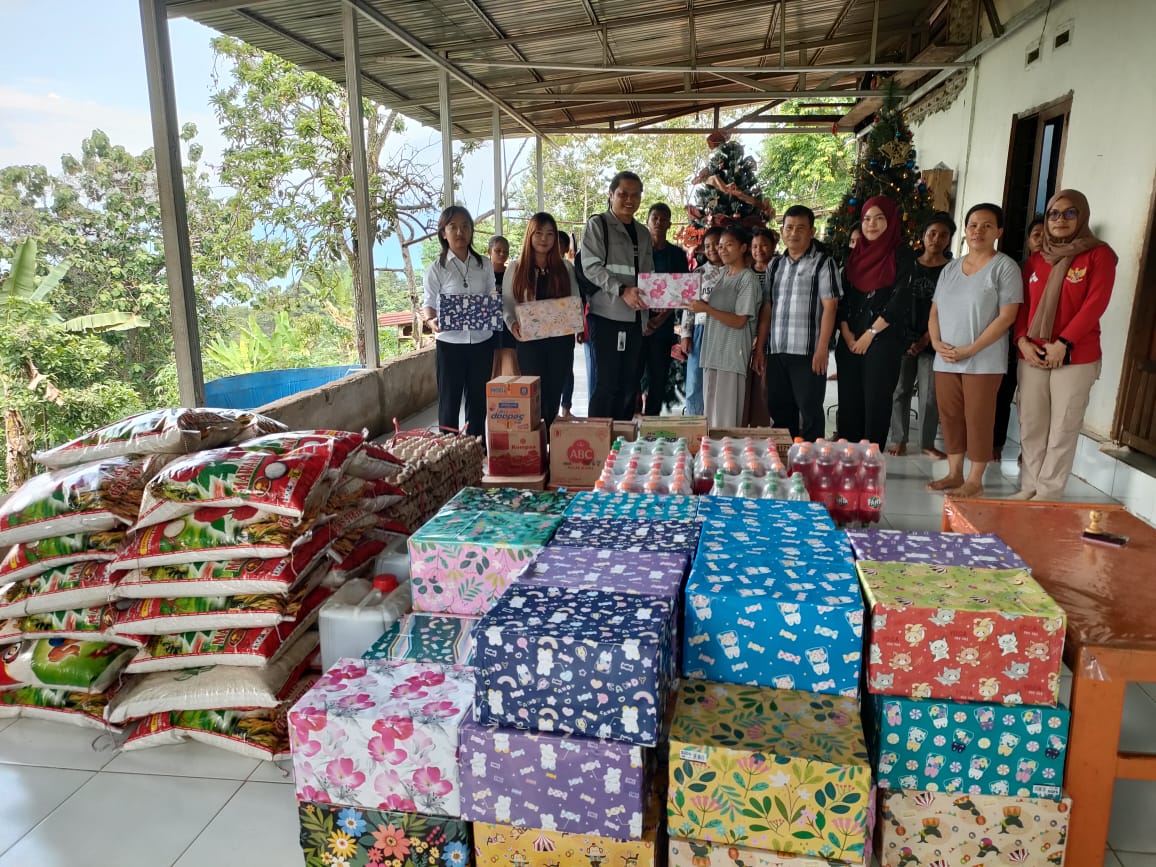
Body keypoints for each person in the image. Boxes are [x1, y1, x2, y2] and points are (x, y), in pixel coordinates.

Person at [1013, 190, 1115, 501]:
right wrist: (1022, 341)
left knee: (1062, 428)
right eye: (1054, 214)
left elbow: (1095, 304)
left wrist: (1064, 343)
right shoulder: (1036, 260)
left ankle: (1048, 493)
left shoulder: (1098, 255)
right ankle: (1029, 487)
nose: (1060, 220)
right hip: (1032, 354)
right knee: (1032, 425)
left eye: (1070, 213)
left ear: (1082, 217)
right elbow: (1022, 306)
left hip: (1076, 356)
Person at [926, 203, 1022, 497]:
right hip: (946, 358)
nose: (978, 231)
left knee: (979, 418)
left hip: (983, 360)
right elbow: (935, 311)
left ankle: (975, 479)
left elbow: (1007, 317)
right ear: (965, 231)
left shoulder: (1005, 267)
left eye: (987, 226)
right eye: (973, 225)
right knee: (950, 416)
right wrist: (935, 342)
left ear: (999, 231)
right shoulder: (950, 268)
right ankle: (954, 473)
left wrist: (971, 349)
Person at [753, 205, 841, 442]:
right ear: (782, 231)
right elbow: (767, 308)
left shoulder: (823, 264)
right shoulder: (775, 265)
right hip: (777, 350)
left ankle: (810, 459)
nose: (794, 233)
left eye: (800, 228)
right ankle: (785, 458)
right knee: (780, 410)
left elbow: (830, 308)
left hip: (808, 352)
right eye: (789, 228)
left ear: (812, 231)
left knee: (810, 410)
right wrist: (760, 348)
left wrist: (822, 349)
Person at [835, 196, 914, 447]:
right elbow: (842, 298)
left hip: (882, 341)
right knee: (849, 403)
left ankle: (870, 461)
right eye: (867, 219)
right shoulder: (855, 255)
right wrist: (847, 334)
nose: (871, 224)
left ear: (890, 221)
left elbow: (900, 299)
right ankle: (849, 459)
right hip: (850, 340)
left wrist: (870, 334)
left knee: (876, 405)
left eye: (879, 218)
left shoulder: (902, 254)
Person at [580, 171, 654, 420]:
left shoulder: (643, 233)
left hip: (635, 320)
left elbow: (648, 275)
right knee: (607, 385)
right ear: (611, 194)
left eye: (635, 195)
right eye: (623, 194)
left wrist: (649, 312)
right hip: (606, 317)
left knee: (629, 386)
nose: (629, 200)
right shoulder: (598, 225)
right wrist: (621, 290)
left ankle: (622, 438)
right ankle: (599, 438)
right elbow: (591, 267)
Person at [422, 206, 497, 438]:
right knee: (449, 401)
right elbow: (428, 303)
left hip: (482, 342)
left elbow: (491, 293)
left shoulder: (484, 264)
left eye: (465, 226)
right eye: (453, 227)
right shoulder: (437, 268)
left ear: (471, 231)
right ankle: (449, 450)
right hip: (450, 344)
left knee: (478, 401)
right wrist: (431, 320)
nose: (460, 232)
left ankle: (476, 447)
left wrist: (494, 302)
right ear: (443, 233)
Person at [502, 212, 578, 430]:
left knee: (554, 393)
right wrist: (512, 324)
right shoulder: (516, 268)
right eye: (538, 233)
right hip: (529, 341)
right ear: (530, 235)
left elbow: (574, 300)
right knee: (534, 393)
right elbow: (507, 303)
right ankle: (534, 441)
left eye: (550, 234)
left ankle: (552, 440)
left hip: (561, 342)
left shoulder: (565, 268)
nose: (544, 239)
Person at [888, 212, 956, 458]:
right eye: (932, 233)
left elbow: (950, 308)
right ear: (923, 235)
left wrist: (927, 338)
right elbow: (897, 300)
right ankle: (899, 439)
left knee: (930, 395)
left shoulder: (952, 270)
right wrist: (907, 338)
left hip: (935, 339)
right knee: (900, 390)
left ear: (949, 239)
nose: (936, 239)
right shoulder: (908, 265)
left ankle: (927, 442)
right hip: (903, 337)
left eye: (943, 235)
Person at [691, 226, 760, 428]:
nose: (722, 250)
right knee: (710, 416)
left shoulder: (747, 279)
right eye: (720, 246)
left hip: (731, 355)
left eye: (729, 245)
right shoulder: (721, 275)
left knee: (726, 419)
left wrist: (706, 309)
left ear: (743, 248)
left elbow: (739, 321)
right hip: (712, 352)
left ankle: (727, 450)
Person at [992, 216, 1046, 460]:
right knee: (1002, 397)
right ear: (1028, 241)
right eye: (1036, 235)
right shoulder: (1015, 269)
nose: (1042, 239)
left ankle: (1030, 452)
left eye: (1046, 235)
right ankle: (996, 445)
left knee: (1035, 404)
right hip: (1009, 342)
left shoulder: (1060, 269)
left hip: (1040, 346)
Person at [636, 203, 689, 415]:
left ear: (669, 224)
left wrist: (660, 318)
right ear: (647, 221)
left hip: (662, 327)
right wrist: (644, 319)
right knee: (632, 377)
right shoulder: (637, 252)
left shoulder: (676, 255)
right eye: (655, 218)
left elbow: (682, 290)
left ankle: (651, 423)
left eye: (663, 218)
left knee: (658, 380)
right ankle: (630, 423)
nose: (659, 222)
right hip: (636, 324)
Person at [679, 227, 724, 416]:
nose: (712, 249)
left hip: (725, 332)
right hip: (700, 331)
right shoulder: (698, 273)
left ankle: (718, 422)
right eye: (707, 246)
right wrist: (686, 334)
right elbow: (688, 307)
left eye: (716, 244)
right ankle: (694, 421)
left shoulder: (735, 272)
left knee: (721, 381)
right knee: (695, 380)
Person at [744, 228, 777, 426]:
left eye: (764, 245)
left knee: (764, 384)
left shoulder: (779, 270)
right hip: (746, 334)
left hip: (771, 336)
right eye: (755, 246)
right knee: (746, 384)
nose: (759, 250)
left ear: (773, 246)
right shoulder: (746, 272)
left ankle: (761, 425)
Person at [557, 230, 577, 417]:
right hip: (543, 329)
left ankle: (566, 409)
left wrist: (577, 325)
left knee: (566, 369)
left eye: (559, 244)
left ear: (565, 248)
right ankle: (549, 411)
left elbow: (575, 296)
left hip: (565, 327)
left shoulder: (568, 268)